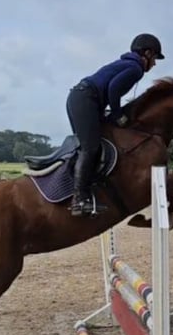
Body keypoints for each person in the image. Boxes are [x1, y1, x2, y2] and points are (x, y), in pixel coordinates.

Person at [66, 33, 164, 217]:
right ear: (147, 53)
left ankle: (89, 189)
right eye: (155, 58)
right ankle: (79, 199)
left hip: (82, 98)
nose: (155, 63)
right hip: (86, 99)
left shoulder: (128, 64)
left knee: (95, 144)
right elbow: (113, 90)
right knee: (90, 147)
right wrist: (119, 116)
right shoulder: (135, 68)